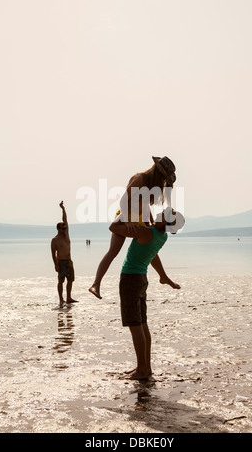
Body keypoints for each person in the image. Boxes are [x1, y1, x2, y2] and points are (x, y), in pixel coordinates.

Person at [109, 206, 185, 380]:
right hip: (141, 278)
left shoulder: (145, 232)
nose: (157, 214)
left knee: (135, 324)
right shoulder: (161, 235)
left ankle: (142, 370)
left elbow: (113, 228)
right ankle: (145, 367)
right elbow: (153, 256)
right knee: (142, 323)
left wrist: (125, 212)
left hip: (130, 279)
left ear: (165, 221)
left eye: (161, 214)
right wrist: (164, 277)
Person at [89, 156, 177, 299]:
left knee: (150, 247)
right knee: (113, 252)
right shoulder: (140, 179)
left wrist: (150, 221)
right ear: (159, 173)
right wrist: (127, 220)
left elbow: (145, 203)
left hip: (139, 218)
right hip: (125, 216)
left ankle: (163, 277)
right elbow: (124, 200)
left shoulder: (150, 185)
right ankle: (96, 284)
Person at [51, 201, 78, 306]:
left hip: (69, 261)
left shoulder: (66, 235)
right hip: (61, 262)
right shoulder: (55, 240)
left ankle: (68, 297)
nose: (65, 229)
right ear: (58, 229)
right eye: (63, 228)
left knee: (70, 280)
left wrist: (63, 209)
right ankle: (61, 299)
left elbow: (65, 219)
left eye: (65, 228)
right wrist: (55, 264)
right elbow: (53, 254)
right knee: (61, 281)